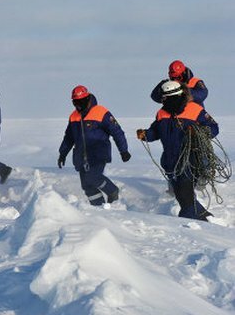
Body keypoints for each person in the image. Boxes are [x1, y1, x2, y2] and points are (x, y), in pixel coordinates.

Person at [137, 81, 219, 221]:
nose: (163, 101)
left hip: (190, 159)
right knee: (181, 194)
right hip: (170, 161)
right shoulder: (161, 113)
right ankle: (204, 216)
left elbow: (214, 128)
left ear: (175, 96)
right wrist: (146, 134)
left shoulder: (195, 109)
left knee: (184, 194)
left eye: (165, 98)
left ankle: (187, 224)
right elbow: (156, 131)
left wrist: (198, 131)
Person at [58, 85, 131, 205]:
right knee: (86, 185)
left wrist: (123, 150)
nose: (78, 105)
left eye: (80, 101)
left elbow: (117, 131)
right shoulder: (73, 116)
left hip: (98, 152)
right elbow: (69, 137)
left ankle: (112, 191)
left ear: (87, 98)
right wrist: (62, 153)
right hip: (80, 155)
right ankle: (98, 208)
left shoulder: (101, 112)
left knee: (93, 177)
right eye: (75, 102)